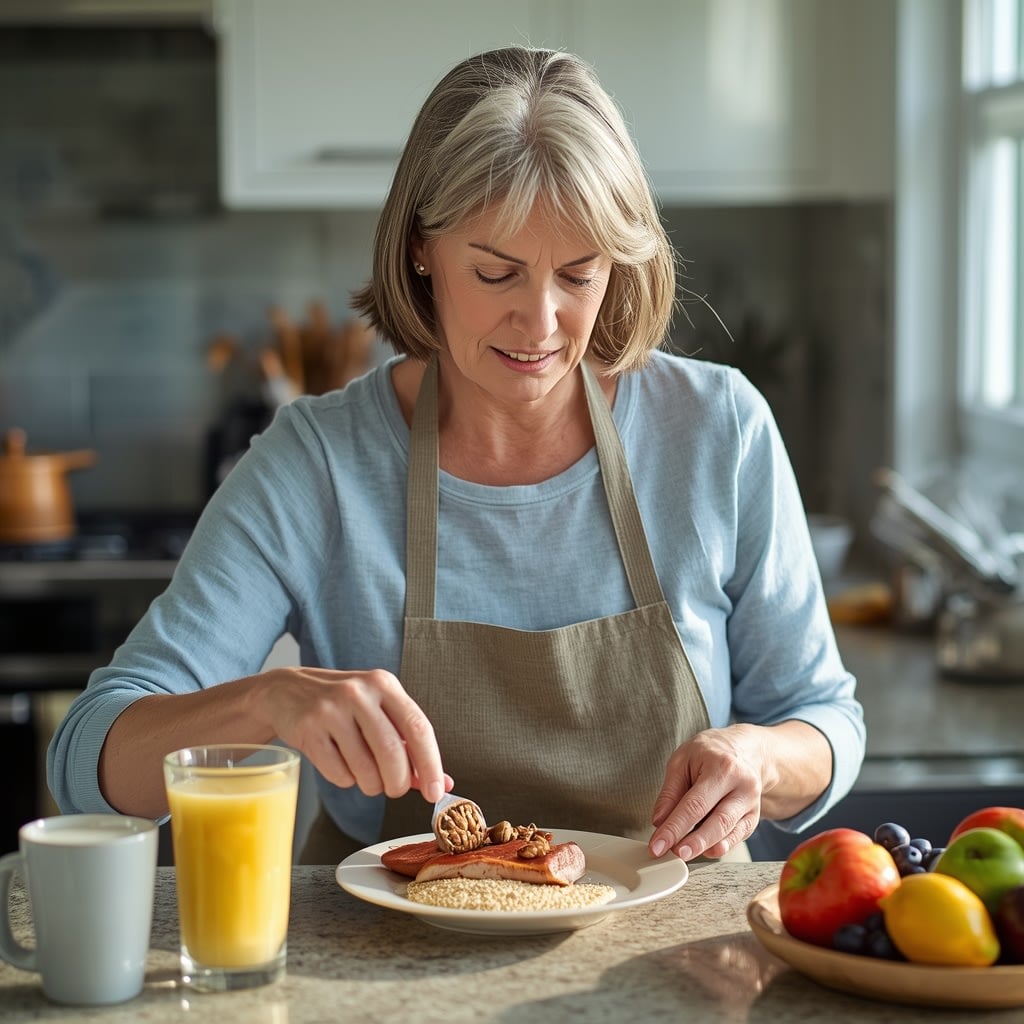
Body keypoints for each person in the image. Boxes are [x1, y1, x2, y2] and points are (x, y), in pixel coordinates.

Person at [48, 46, 864, 864]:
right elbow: (86, 758)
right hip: (392, 959)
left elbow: (824, 719)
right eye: (496, 273)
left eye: (578, 277)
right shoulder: (320, 463)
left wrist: (759, 757)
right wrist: (268, 702)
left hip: (673, 958)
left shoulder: (718, 428)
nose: (540, 324)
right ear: (420, 250)